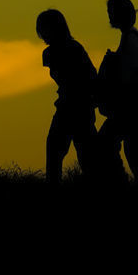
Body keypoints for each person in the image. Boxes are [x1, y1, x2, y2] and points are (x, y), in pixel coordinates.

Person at [35, 9, 98, 184]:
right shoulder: (57, 51)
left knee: (77, 153)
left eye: (44, 29)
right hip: (73, 107)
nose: (42, 34)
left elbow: (88, 78)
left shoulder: (68, 50)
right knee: (73, 152)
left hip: (76, 108)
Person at [96, 0, 138, 183]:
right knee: (130, 146)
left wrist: (124, 88)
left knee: (118, 144)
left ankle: (120, 180)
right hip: (132, 101)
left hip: (132, 102)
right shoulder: (128, 37)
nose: (109, 16)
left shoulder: (130, 38)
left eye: (111, 12)